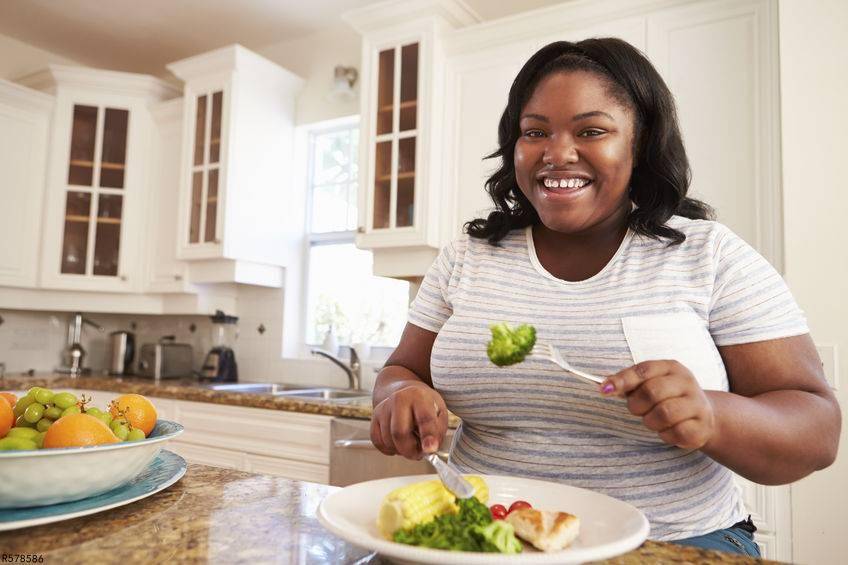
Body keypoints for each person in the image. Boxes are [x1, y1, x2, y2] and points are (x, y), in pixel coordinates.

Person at [369, 38, 840, 555]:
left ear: (640, 145)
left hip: (672, 543)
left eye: (591, 131)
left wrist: (712, 414)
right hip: (484, 536)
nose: (557, 153)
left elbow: (816, 432)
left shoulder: (708, 255)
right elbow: (402, 371)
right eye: (535, 132)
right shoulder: (468, 255)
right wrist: (399, 397)